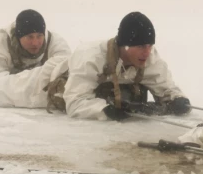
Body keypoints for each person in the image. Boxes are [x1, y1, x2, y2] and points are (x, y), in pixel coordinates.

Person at [58, 11, 190, 120]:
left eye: (150, 45)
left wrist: (177, 99)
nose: (147, 52)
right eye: (141, 46)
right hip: (52, 83)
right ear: (124, 45)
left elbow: (166, 87)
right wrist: (105, 110)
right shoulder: (91, 58)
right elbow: (75, 102)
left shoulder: (148, 57)